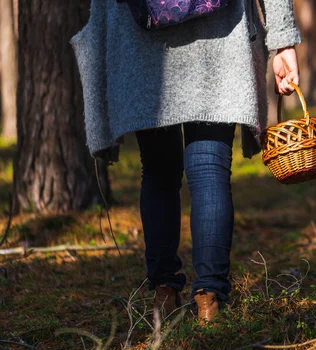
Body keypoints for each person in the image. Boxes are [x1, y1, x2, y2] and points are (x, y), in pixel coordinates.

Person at [71, 0, 301, 324]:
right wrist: (283, 39)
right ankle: (210, 298)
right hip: (220, 36)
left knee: (159, 172)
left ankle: (164, 293)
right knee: (209, 170)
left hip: (141, 39)